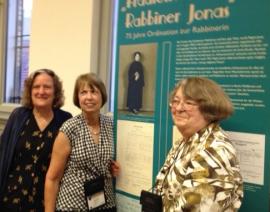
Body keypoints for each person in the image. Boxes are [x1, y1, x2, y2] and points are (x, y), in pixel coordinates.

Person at [154, 77, 243, 211]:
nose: (178, 108)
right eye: (175, 101)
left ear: (209, 108)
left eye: (188, 102)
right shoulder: (185, 141)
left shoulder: (213, 152)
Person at [45, 73, 120, 212]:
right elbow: (52, 178)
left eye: (94, 92)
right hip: (73, 204)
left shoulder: (111, 125)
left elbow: (110, 161)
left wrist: (114, 168)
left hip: (106, 203)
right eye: (83, 92)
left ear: (102, 96)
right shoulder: (69, 129)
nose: (89, 97)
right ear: (77, 97)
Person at [0, 68, 72, 211]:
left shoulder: (65, 120)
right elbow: (2, 153)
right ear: (30, 91)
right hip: (12, 200)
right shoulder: (18, 116)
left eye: (47, 87)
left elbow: (75, 159)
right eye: (36, 87)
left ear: (55, 92)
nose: (41, 91)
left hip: (47, 204)